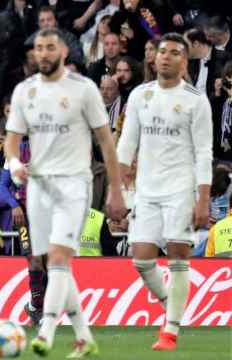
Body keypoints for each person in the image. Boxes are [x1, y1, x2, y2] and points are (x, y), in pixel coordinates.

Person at [4, 28, 126, 357]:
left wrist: (116, 190)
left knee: (58, 256)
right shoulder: (24, 92)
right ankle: (84, 336)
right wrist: (15, 164)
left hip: (74, 182)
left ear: (63, 52)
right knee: (50, 263)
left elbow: (106, 142)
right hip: (38, 185)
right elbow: (12, 142)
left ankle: (45, 330)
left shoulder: (84, 89)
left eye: (49, 47)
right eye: (38, 48)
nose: (42, 53)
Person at [117, 33, 213, 351]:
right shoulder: (140, 96)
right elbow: (126, 144)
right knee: (141, 261)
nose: (166, 57)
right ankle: (172, 305)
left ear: (184, 61)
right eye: (161, 52)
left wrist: (202, 198)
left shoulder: (195, 100)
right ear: (154, 57)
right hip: (146, 190)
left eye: (174, 52)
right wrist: (116, 191)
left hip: (181, 189)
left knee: (177, 257)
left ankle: (170, 330)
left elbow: (204, 152)